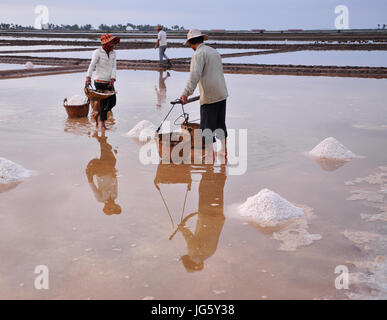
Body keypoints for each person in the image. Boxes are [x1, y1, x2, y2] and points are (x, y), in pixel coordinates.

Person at [180, 29, 229, 158]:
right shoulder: (214, 52)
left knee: (207, 128)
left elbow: (194, 76)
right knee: (220, 124)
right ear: (202, 39)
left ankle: (209, 155)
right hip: (222, 93)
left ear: (191, 42)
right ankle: (224, 151)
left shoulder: (198, 54)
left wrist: (185, 94)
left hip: (210, 96)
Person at [86, 33, 120, 130]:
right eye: (111, 42)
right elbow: (92, 65)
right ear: (106, 43)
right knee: (104, 103)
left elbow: (114, 66)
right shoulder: (98, 52)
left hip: (109, 82)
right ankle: (103, 124)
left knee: (112, 102)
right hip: (100, 81)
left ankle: (96, 114)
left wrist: (113, 78)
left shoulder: (114, 53)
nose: (113, 44)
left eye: (113, 42)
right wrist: (88, 77)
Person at [86, 131, 121, 216]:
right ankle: (101, 139)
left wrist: (89, 177)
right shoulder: (115, 196)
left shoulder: (100, 199)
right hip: (109, 171)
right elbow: (115, 184)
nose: (113, 204)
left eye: (112, 207)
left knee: (106, 154)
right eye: (115, 206)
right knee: (112, 159)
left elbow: (93, 188)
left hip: (100, 172)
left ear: (107, 206)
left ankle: (101, 139)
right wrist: (114, 174)